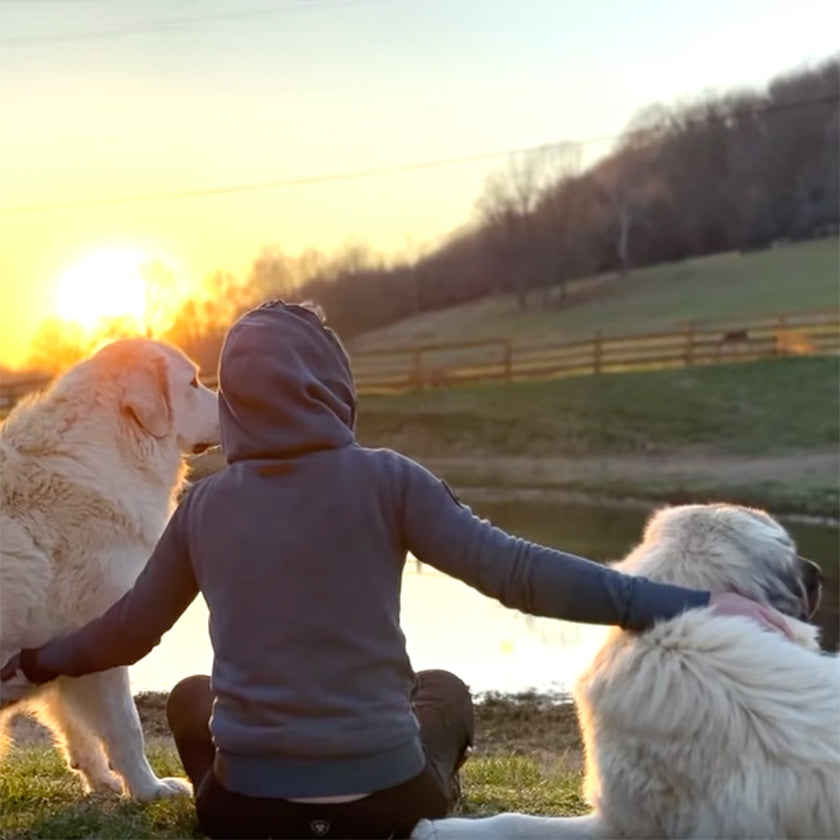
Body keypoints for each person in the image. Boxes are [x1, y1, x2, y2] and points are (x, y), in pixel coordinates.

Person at [1, 301, 793, 840]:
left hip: (246, 818)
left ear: (236, 400)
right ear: (331, 383)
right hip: (387, 809)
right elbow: (520, 573)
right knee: (443, 691)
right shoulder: (392, 480)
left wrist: (32, 661)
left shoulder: (205, 508)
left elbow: (122, 634)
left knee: (190, 697)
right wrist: (690, 603)